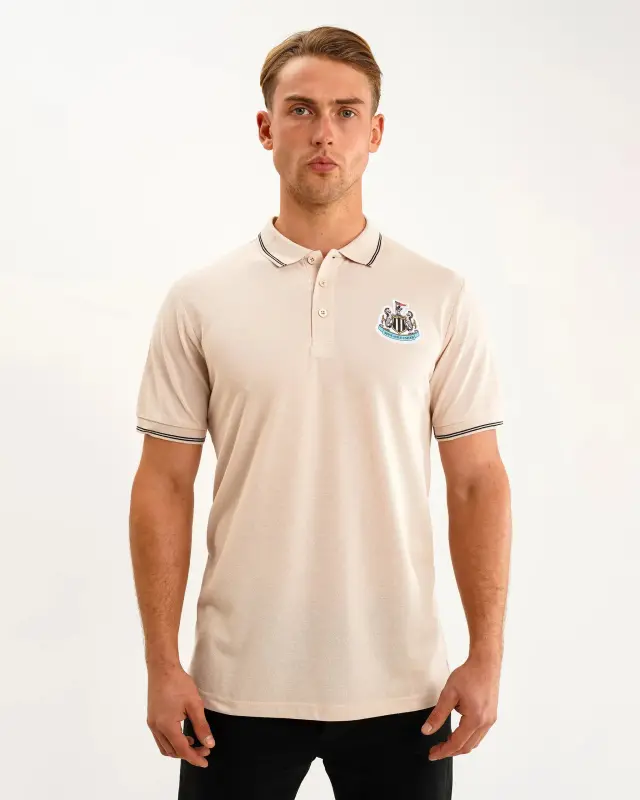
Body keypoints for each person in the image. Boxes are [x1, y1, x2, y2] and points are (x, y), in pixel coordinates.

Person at [129, 24, 512, 800]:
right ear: (266, 128)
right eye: (301, 110)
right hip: (235, 689)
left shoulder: (438, 295)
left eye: (346, 112)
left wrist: (487, 656)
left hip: (404, 689)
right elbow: (163, 484)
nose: (324, 132)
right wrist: (162, 664)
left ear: (376, 132)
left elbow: (477, 482)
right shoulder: (201, 299)